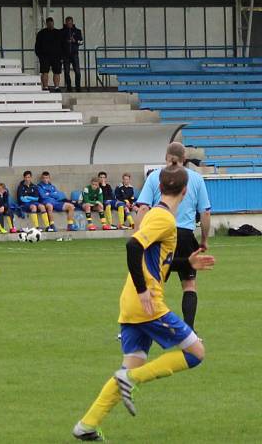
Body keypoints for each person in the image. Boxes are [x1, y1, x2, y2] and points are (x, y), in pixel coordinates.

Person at [72, 166, 214, 442]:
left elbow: (155, 260)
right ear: (185, 192)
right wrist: (143, 290)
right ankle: (133, 379)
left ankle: (86, 425)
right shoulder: (163, 219)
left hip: (132, 303)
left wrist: (187, 263)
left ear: (159, 189)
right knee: (196, 353)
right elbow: (133, 247)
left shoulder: (156, 216)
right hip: (146, 302)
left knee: (130, 364)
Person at [135, 142, 211, 331]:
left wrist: (139, 236)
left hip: (159, 234)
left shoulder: (155, 177)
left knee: (153, 282)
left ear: (166, 157)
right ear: (184, 158)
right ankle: (190, 329)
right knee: (189, 284)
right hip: (185, 234)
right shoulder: (195, 178)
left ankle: (140, 326)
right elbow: (205, 213)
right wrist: (203, 240)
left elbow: (143, 207)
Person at [34, 17, 62, 92]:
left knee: (57, 72)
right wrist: (39, 55)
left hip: (56, 57)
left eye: (51, 23)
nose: (50, 25)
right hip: (44, 56)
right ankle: (45, 87)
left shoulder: (58, 33)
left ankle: (56, 87)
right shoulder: (41, 33)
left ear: (53, 23)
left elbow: (62, 45)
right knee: (44, 72)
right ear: (46, 24)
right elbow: (37, 46)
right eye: (49, 23)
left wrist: (61, 56)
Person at [61, 16, 84, 93]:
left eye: (70, 23)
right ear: (65, 23)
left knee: (77, 71)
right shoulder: (62, 32)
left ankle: (78, 87)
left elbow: (81, 42)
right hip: (65, 55)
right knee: (66, 72)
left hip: (74, 54)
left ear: (72, 22)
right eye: (68, 23)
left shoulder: (77, 31)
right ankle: (69, 87)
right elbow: (60, 43)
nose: (69, 24)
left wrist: (75, 41)